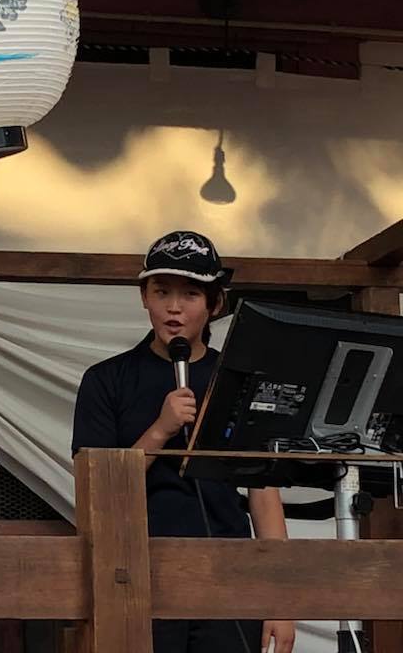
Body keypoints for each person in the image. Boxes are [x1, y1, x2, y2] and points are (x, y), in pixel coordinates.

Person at [72, 231, 296, 653]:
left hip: (229, 573)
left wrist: (280, 600)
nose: (173, 307)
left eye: (190, 294)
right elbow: (97, 489)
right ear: (144, 296)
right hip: (135, 572)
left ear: (215, 304)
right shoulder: (106, 380)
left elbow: (263, 491)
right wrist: (160, 430)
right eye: (162, 292)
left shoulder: (241, 381)